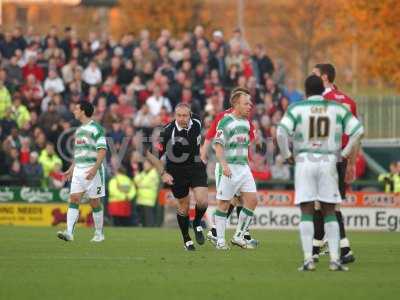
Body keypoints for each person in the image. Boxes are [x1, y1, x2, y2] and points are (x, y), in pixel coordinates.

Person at [277, 75, 363, 271]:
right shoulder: (336, 108)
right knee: (330, 210)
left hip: (305, 161)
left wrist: (287, 154)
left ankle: (308, 259)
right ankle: (334, 260)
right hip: (328, 161)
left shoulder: (297, 108)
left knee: (307, 210)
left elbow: (281, 132)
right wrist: (345, 152)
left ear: (306, 91)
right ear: (322, 90)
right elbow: (357, 130)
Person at [312, 63, 358, 264]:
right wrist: (352, 162)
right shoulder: (348, 101)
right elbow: (354, 134)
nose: (311, 79)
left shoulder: (322, 101)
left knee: (321, 205)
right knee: (326, 204)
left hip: (325, 158)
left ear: (324, 77)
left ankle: (342, 248)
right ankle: (318, 247)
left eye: (314, 75)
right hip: (342, 159)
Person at [146, 103, 208, 251]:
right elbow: (151, 155)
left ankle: (197, 222)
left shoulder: (198, 122)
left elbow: (202, 140)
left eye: (185, 115)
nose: (181, 118)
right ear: (175, 115)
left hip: (195, 165)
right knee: (184, 206)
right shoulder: (167, 132)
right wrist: (163, 173)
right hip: (177, 171)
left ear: (190, 115)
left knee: (203, 201)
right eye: (179, 115)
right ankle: (186, 239)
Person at [200, 87, 256, 244]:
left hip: (241, 165)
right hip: (227, 165)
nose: (249, 105)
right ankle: (219, 233)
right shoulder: (223, 118)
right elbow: (211, 138)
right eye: (246, 102)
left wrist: (248, 158)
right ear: (237, 103)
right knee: (229, 201)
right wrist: (203, 157)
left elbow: (248, 141)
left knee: (242, 199)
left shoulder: (245, 120)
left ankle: (237, 234)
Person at [57, 101, 107, 243]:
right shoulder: (78, 130)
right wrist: (71, 168)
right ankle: (69, 233)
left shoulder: (96, 129)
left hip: (93, 170)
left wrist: (95, 168)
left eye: (76, 109)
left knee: (94, 202)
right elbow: (79, 153)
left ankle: (99, 233)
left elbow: (102, 151)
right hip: (79, 170)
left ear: (83, 111)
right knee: (74, 199)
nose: (74, 111)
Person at [134, 159, 160, 227]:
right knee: (143, 219)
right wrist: (139, 180)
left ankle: (151, 232)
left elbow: (142, 183)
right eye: (144, 164)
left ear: (151, 165)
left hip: (148, 200)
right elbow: (136, 180)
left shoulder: (153, 174)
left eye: (146, 164)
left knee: (148, 219)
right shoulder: (144, 173)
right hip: (141, 199)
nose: (144, 165)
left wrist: (139, 181)